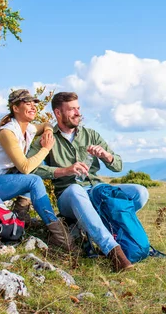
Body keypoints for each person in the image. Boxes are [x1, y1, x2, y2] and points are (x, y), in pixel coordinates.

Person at [28, 92, 149, 272]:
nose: (77, 113)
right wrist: (65, 170)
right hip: (69, 196)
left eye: (78, 108)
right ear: (58, 113)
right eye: (71, 109)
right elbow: (31, 168)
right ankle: (113, 252)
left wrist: (106, 156)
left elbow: (118, 165)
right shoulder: (48, 138)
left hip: (97, 190)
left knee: (139, 192)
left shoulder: (91, 134)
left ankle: (105, 226)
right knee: (76, 189)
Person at [0, 89, 75, 251]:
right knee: (33, 177)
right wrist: (46, 148)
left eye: (34, 103)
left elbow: (46, 124)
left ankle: (20, 213)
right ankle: (60, 236)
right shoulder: (8, 132)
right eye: (27, 103)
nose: (33, 106)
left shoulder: (28, 128)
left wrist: (47, 132)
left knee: (35, 161)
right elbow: (25, 168)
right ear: (15, 108)